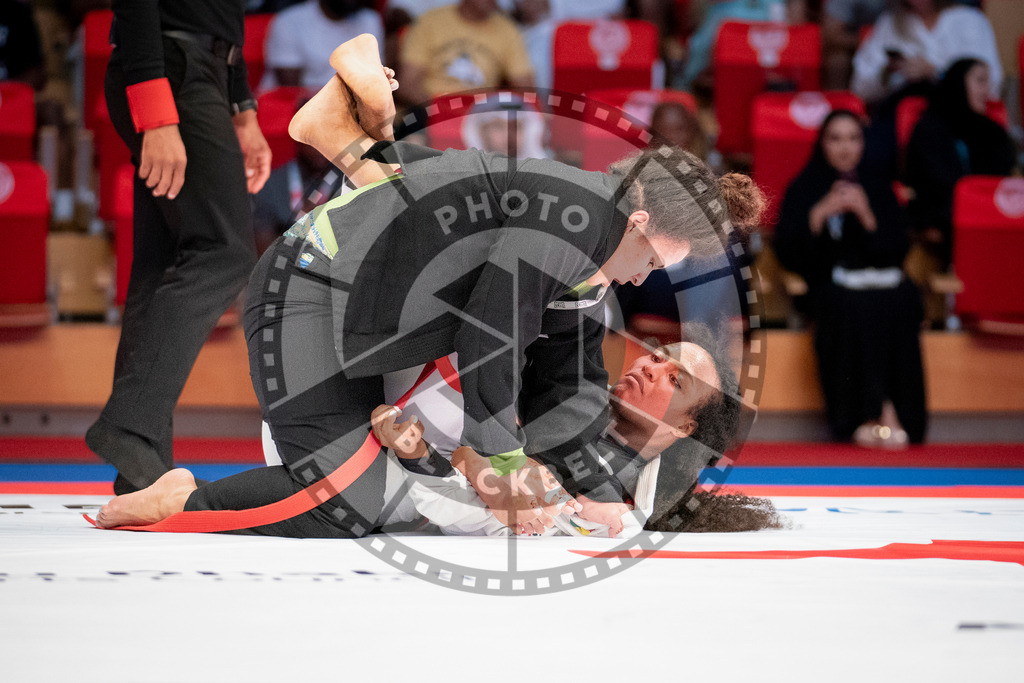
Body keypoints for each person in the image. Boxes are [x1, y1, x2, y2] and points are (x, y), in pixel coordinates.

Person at [94, 34, 763, 538]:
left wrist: (588, 486)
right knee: (343, 503)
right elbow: (491, 328)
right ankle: (183, 500)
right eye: (660, 257)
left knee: (384, 486)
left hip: (358, 310)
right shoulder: (577, 220)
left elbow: (567, 381)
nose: (652, 276)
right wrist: (500, 461)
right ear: (641, 220)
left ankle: (352, 135)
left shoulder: (583, 246)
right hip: (307, 294)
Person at [95, 326, 786, 537]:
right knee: (358, 499)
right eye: (656, 355)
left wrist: (421, 455)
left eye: (672, 378)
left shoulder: (628, 494)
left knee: (372, 498)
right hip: (342, 400)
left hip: (367, 443)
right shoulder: (567, 385)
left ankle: (189, 499)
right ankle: (190, 502)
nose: (646, 367)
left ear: (685, 424)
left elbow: (465, 494)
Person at [84, 0, 272, 494]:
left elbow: (222, 13)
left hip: (200, 70)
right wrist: (156, 115)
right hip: (170, 69)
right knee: (224, 253)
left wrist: (243, 107)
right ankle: (127, 427)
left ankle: (142, 465)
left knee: (167, 257)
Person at [774, 109, 926, 447]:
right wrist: (818, 215)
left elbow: (897, 249)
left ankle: (901, 416)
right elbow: (789, 253)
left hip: (879, 282)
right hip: (830, 286)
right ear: (822, 144)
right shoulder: (805, 185)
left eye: (853, 138)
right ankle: (864, 417)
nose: (845, 148)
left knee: (904, 298)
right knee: (849, 305)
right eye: (836, 138)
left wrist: (867, 216)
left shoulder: (878, 185)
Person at [905, 58, 1017, 270]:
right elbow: (929, 181)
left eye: (989, 83)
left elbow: (1002, 180)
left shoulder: (993, 132)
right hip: (945, 215)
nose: (987, 91)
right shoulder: (928, 130)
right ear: (958, 84)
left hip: (990, 215)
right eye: (980, 81)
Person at [850, 0, 1001, 107]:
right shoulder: (888, 25)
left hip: (957, 117)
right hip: (901, 116)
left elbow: (993, 84)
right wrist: (888, 72)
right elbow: (860, 87)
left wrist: (937, 73)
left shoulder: (970, 21)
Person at [398, 0, 534, 105]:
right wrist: (439, 109)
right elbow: (407, 84)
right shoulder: (430, 22)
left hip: (480, 116)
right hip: (430, 108)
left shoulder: (507, 29)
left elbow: (526, 88)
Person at [258, 0, 384, 91]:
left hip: (350, 110)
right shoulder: (289, 21)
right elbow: (291, 89)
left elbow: (374, 78)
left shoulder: (370, 20)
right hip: (295, 111)